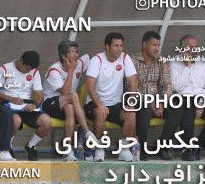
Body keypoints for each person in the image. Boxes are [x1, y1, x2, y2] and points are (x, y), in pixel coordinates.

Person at [85, 32, 138, 162]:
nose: (119, 49)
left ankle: (124, 151)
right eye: (116, 46)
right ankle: (99, 149)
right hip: (94, 102)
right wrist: (100, 104)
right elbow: (89, 85)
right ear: (107, 47)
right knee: (101, 113)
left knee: (131, 115)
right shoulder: (96, 60)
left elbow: (133, 81)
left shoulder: (125, 58)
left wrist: (130, 103)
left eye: (121, 45)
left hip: (115, 103)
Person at [42, 40, 96, 161]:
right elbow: (65, 93)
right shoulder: (54, 70)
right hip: (50, 104)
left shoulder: (79, 63)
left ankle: (68, 150)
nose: (76, 55)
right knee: (73, 96)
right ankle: (87, 132)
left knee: (70, 109)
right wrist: (71, 70)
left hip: (68, 104)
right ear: (63, 56)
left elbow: (92, 57)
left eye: (77, 52)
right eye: (72, 52)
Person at [168, 34, 205, 160]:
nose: (194, 51)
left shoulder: (203, 62)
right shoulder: (175, 62)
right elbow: (176, 87)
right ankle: (187, 149)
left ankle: (198, 146)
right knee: (188, 108)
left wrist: (201, 103)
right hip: (184, 99)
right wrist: (187, 66)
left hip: (201, 100)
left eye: (196, 47)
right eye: (190, 48)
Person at [0, 51, 51, 161]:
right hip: (7, 102)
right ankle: (8, 145)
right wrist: (11, 99)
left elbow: (39, 94)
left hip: (25, 104)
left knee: (46, 121)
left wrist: (34, 104)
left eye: (30, 70)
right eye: (26, 69)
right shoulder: (4, 69)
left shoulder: (34, 72)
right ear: (21, 61)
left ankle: (30, 146)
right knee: (15, 121)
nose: (28, 72)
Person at [130, 31, 174, 160]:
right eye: (154, 45)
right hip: (138, 99)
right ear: (144, 45)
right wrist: (149, 102)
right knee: (144, 109)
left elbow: (168, 85)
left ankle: (163, 145)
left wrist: (162, 101)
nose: (157, 48)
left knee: (177, 107)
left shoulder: (161, 61)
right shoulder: (132, 61)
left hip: (157, 101)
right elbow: (131, 87)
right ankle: (142, 149)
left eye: (158, 45)